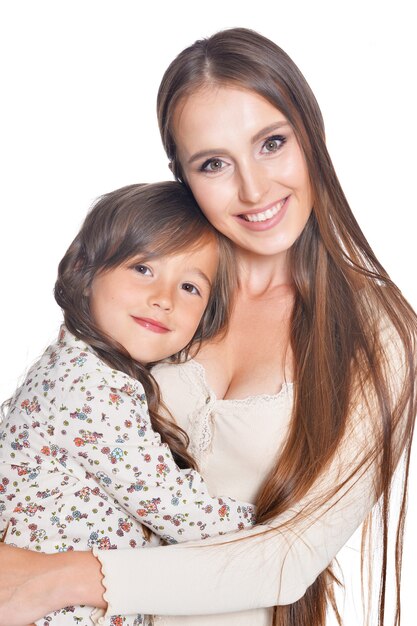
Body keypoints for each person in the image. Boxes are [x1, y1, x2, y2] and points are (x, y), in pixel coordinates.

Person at [0, 27, 416, 626]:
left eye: (272, 143)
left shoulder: (380, 334)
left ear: (311, 134)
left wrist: (49, 580)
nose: (253, 189)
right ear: (184, 175)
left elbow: (291, 559)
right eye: (214, 163)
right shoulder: (154, 286)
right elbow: (46, 429)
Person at [0, 181, 256, 626]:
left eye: (191, 287)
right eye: (143, 269)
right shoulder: (89, 387)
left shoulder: (84, 365)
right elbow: (174, 508)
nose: (164, 298)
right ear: (85, 269)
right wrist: (267, 526)